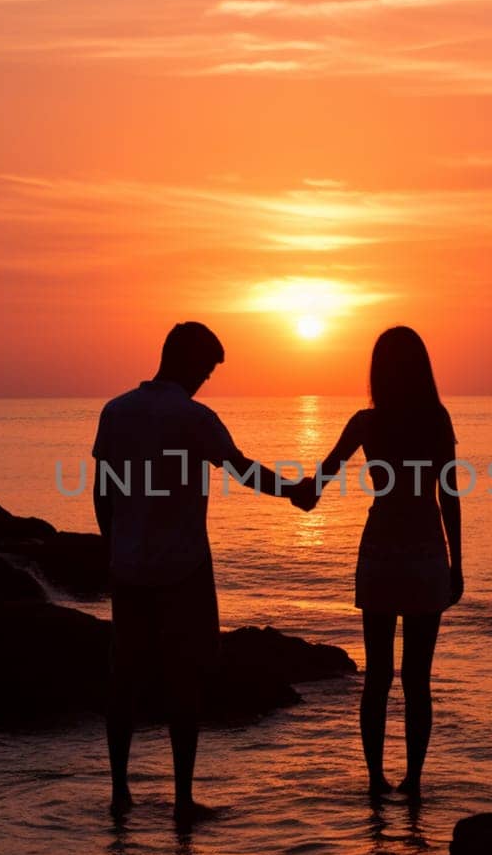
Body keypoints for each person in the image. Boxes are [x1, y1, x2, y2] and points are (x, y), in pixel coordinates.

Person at [93, 321, 302, 824]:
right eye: (206, 369)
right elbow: (241, 469)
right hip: (183, 568)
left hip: (128, 567)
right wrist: (295, 491)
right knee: (184, 681)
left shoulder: (116, 411)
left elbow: (103, 491)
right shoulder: (194, 418)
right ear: (188, 362)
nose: (207, 379)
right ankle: (182, 799)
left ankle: (120, 791)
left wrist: (114, 547)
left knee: (126, 679)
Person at [293, 327, 463, 798]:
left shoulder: (366, 423)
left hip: (382, 553)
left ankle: (374, 781)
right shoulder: (435, 419)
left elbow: (320, 480)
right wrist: (459, 563)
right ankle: (412, 782)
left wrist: (290, 491)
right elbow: (448, 496)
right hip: (426, 551)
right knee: (417, 680)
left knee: (378, 677)